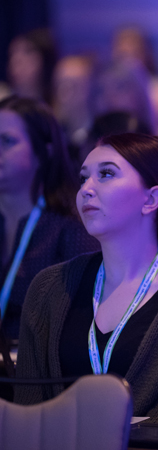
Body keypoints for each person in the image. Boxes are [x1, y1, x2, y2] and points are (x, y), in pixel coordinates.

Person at [15, 133, 158, 425]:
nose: (86, 190)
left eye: (106, 174)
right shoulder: (49, 288)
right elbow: (27, 417)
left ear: (151, 199)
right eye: (83, 179)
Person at [0, 97, 99, 340]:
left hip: (31, 372)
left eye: (7, 141)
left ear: (44, 150)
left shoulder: (71, 227)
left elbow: (80, 326)